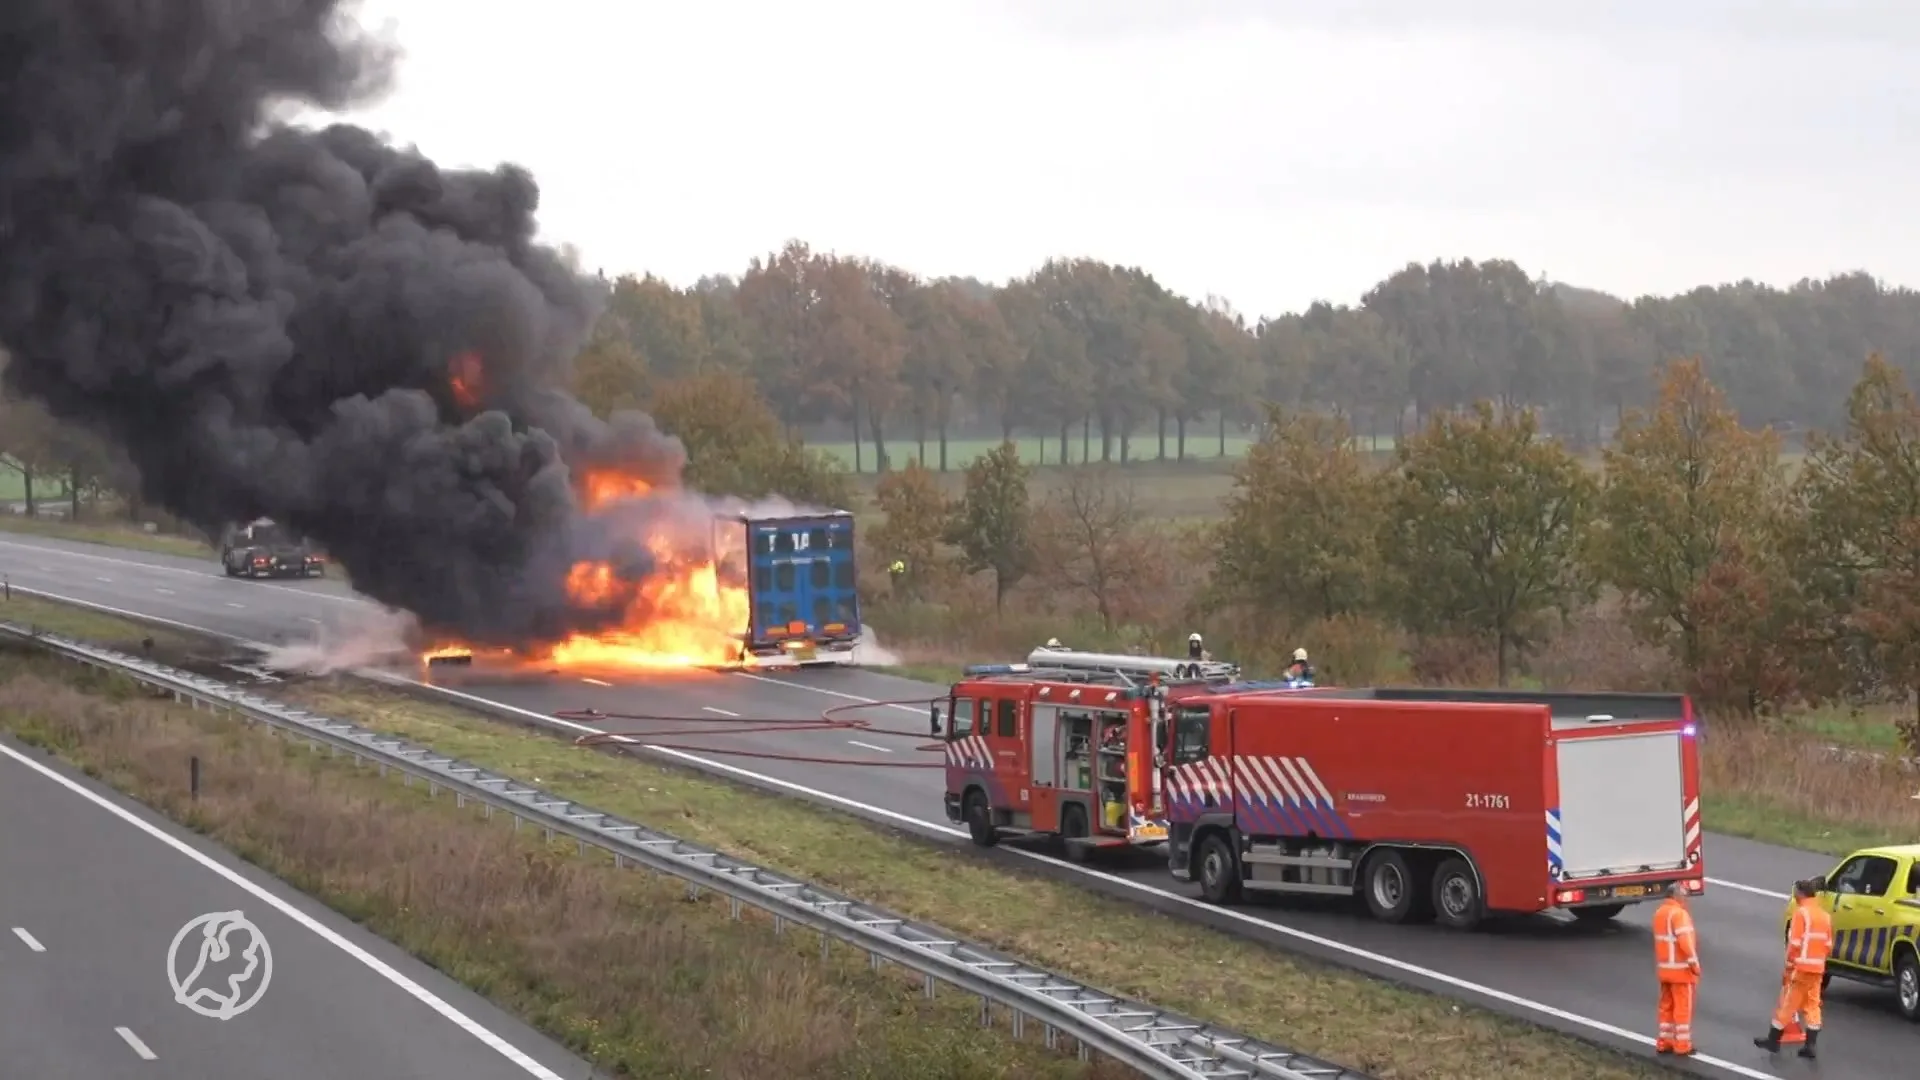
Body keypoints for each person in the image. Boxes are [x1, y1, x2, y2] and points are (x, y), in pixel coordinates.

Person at [1756, 877, 1831, 1057]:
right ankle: (1810, 1045)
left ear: (1801, 893)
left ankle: (1773, 1040)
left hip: (1802, 968)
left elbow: (1794, 944)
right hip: (1818, 969)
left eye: (1795, 892)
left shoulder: (1801, 914)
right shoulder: (1825, 916)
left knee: (1789, 1003)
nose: (1794, 895)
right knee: (1813, 1004)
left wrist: (1789, 967)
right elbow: (1828, 945)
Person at [1651, 881, 1701, 1055]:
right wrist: (1694, 964)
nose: (1686, 899)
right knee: (1682, 1008)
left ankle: (1664, 1042)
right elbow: (1685, 941)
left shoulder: (1659, 913)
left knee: (1666, 1007)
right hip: (1681, 971)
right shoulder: (1679, 914)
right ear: (1676, 896)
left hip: (1664, 970)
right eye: (1684, 895)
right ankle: (1682, 1045)